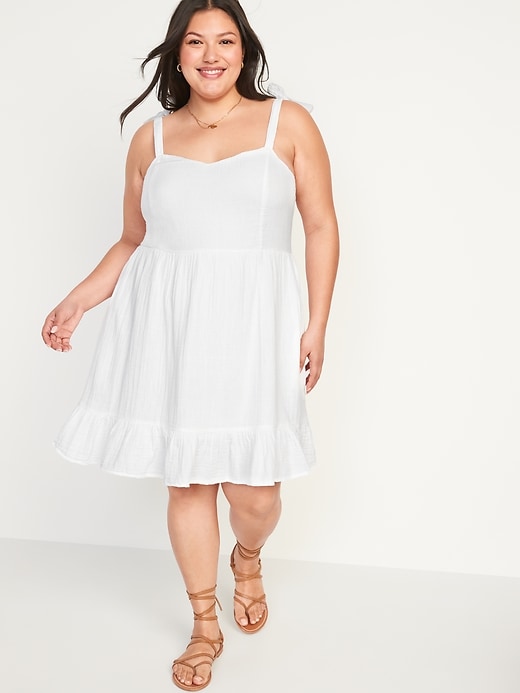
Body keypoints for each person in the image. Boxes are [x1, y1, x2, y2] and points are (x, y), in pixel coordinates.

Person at [41, 0, 339, 689]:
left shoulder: (288, 123)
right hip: (176, 331)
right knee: (190, 479)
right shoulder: (151, 139)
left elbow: (321, 224)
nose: (211, 55)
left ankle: (248, 558)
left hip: (257, 329)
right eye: (196, 42)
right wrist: (78, 300)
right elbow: (134, 240)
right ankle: (205, 623)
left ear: (245, 50)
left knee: (255, 494)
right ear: (177, 53)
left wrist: (318, 323)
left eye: (225, 41)